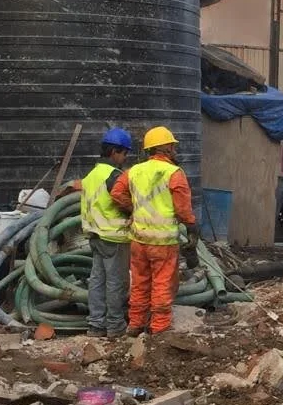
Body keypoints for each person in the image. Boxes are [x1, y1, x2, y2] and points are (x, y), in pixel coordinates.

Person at [110, 126, 197, 336]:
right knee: (162, 283)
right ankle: (159, 327)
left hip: (139, 239)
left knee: (140, 282)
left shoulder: (134, 171)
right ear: (165, 147)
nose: (174, 150)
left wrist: (135, 208)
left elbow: (116, 193)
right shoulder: (174, 173)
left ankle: (135, 324)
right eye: (172, 146)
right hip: (163, 242)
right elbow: (183, 209)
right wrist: (192, 227)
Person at [73, 128, 133, 339]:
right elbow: (122, 200)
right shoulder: (113, 176)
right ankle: (115, 325)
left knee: (97, 281)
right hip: (114, 237)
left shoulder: (91, 175)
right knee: (116, 282)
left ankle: (96, 325)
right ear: (115, 152)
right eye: (125, 153)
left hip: (95, 235)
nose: (124, 158)